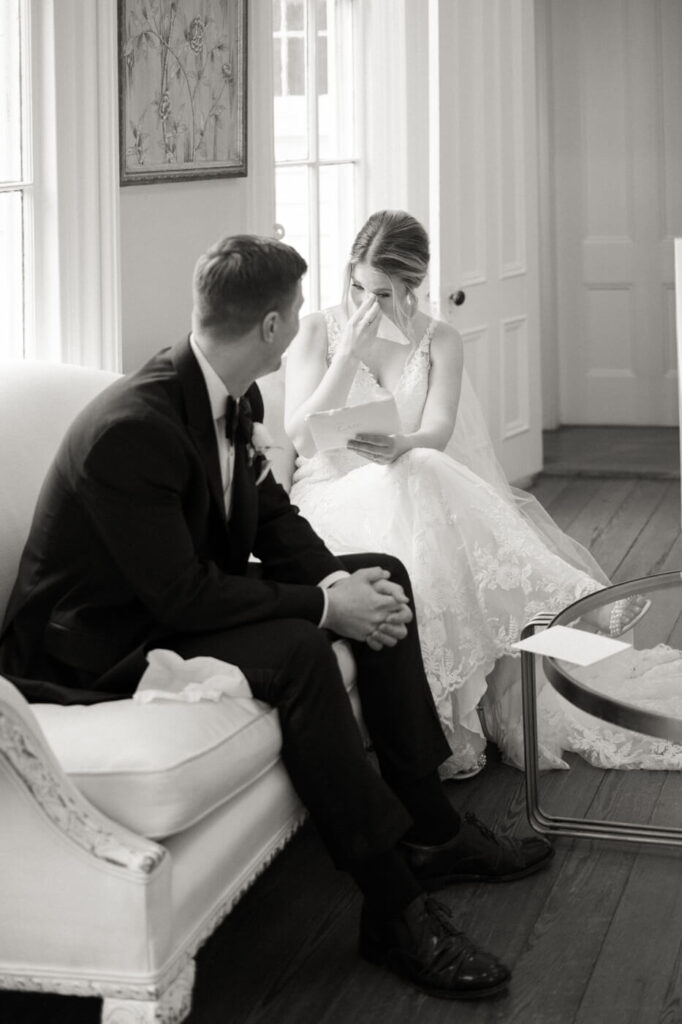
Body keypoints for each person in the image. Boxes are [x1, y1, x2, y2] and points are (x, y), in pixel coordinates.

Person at [0, 233, 553, 1002]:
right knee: (300, 647)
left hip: (170, 598)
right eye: (294, 312)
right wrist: (328, 606)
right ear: (269, 326)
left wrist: (340, 580)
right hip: (96, 641)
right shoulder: (136, 428)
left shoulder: (233, 394)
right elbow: (182, 598)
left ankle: (432, 826)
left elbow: (270, 518)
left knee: (380, 572)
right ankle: (393, 910)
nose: (305, 321)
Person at [284, 210, 671, 779]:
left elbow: (436, 431)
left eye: (385, 292)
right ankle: (569, 595)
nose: (368, 303)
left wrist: (400, 444)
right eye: (358, 286)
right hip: (329, 492)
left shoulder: (440, 338)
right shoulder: (321, 329)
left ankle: (472, 693)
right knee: (418, 473)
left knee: (418, 464)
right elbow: (300, 436)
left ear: (413, 285)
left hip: (406, 480)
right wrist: (346, 358)